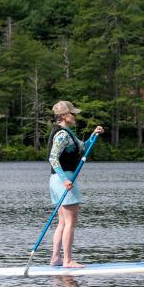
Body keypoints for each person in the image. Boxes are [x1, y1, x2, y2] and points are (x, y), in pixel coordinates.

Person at [47, 100, 104, 268]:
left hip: (57, 180)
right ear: (64, 116)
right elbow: (52, 158)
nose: (75, 115)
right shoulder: (63, 135)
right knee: (70, 222)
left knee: (63, 223)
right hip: (63, 180)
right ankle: (67, 260)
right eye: (73, 113)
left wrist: (94, 134)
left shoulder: (66, 132)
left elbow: (82, 146)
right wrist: (65, 179)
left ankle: (56, 258)